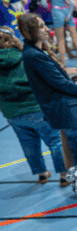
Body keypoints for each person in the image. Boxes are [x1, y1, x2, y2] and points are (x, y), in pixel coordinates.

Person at [19, 14, 77, 167]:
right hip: (67, 111)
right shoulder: (35, 55)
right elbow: (61, 83)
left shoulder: (34, 52)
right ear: (32, 30)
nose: (46, 29)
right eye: (41, 26)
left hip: (62, 112)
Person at [0, 27, 67, 186]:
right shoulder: (26, 57)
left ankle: (42, 173)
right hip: (36, 107)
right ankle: (64, 175)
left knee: (28, 143)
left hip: (12, 112)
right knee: (55, 141)